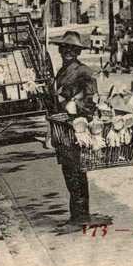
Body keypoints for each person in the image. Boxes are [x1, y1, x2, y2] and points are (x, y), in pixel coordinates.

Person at [49, 31, 100, 226]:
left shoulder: (83, 71)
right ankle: (77, 214)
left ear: (77, 52)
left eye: (72, 49)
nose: (67, 52)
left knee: (77, 170)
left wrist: (73, 109)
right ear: (61, 50)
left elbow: (90, 100)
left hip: (76, 127)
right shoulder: (62, 71)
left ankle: (80, 215)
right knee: (69, 170)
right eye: (65, 48)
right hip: (62, 127)